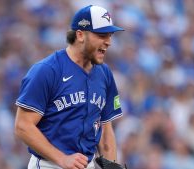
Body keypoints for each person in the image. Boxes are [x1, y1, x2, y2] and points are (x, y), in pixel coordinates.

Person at [14, 5, 124, 169]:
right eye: (102, 35)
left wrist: (111, 165)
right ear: (80, 35)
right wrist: (62, 159)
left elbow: (105, 128)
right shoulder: (47, 70)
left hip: (87, 164)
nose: (108, 42)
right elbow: (23, 126)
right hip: (49, 164)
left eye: (110, 35)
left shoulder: (104, 73)